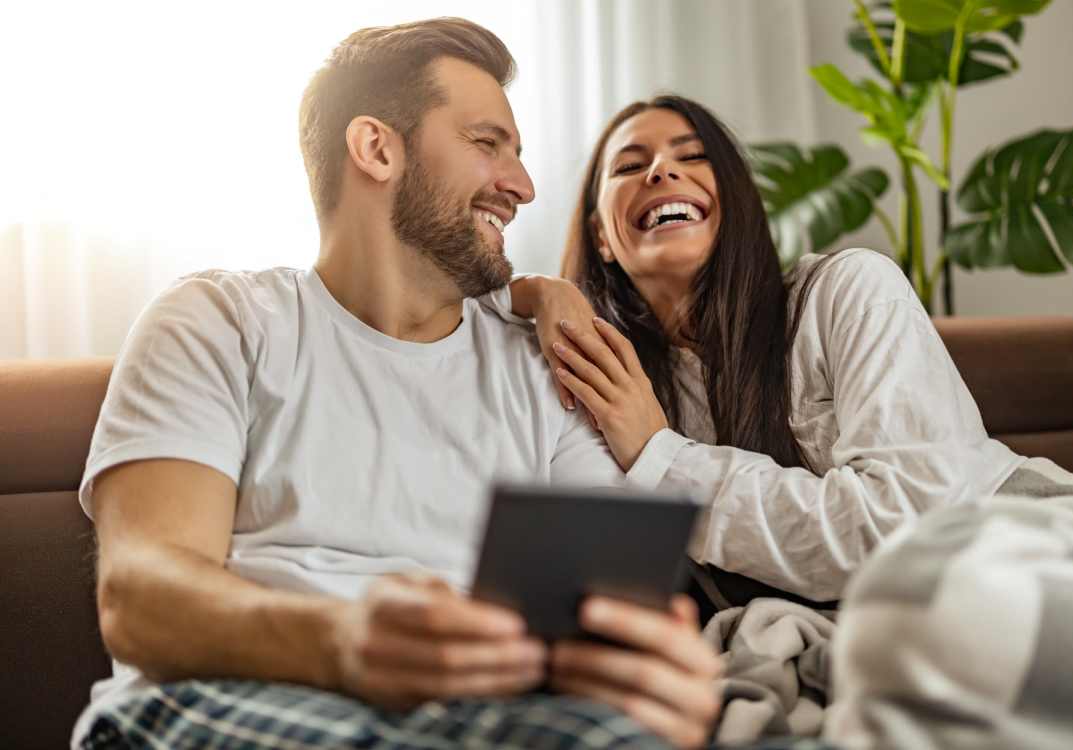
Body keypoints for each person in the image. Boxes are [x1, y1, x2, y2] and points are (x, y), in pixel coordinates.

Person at [72, 21, 769, 750]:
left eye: (519, 155)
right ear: (378, 148)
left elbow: (606, 610)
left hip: (481, 718)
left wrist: (648, 672)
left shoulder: (540, 366)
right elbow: (140, 598)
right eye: (486, 143)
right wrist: (345, 641)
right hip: (217, 700)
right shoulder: (220, 323)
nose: (523, 186)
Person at [484, 95, 1024, 611]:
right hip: (882, 632)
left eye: (693, 156)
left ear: (735, 202)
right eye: (629, 166)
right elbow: (428, 303)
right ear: (602, 236)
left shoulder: (847, 290)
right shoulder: (613, 379)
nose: (661, 172)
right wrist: (539, 289)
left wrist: (660, 455)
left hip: (1025, 553)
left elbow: (910, 537)